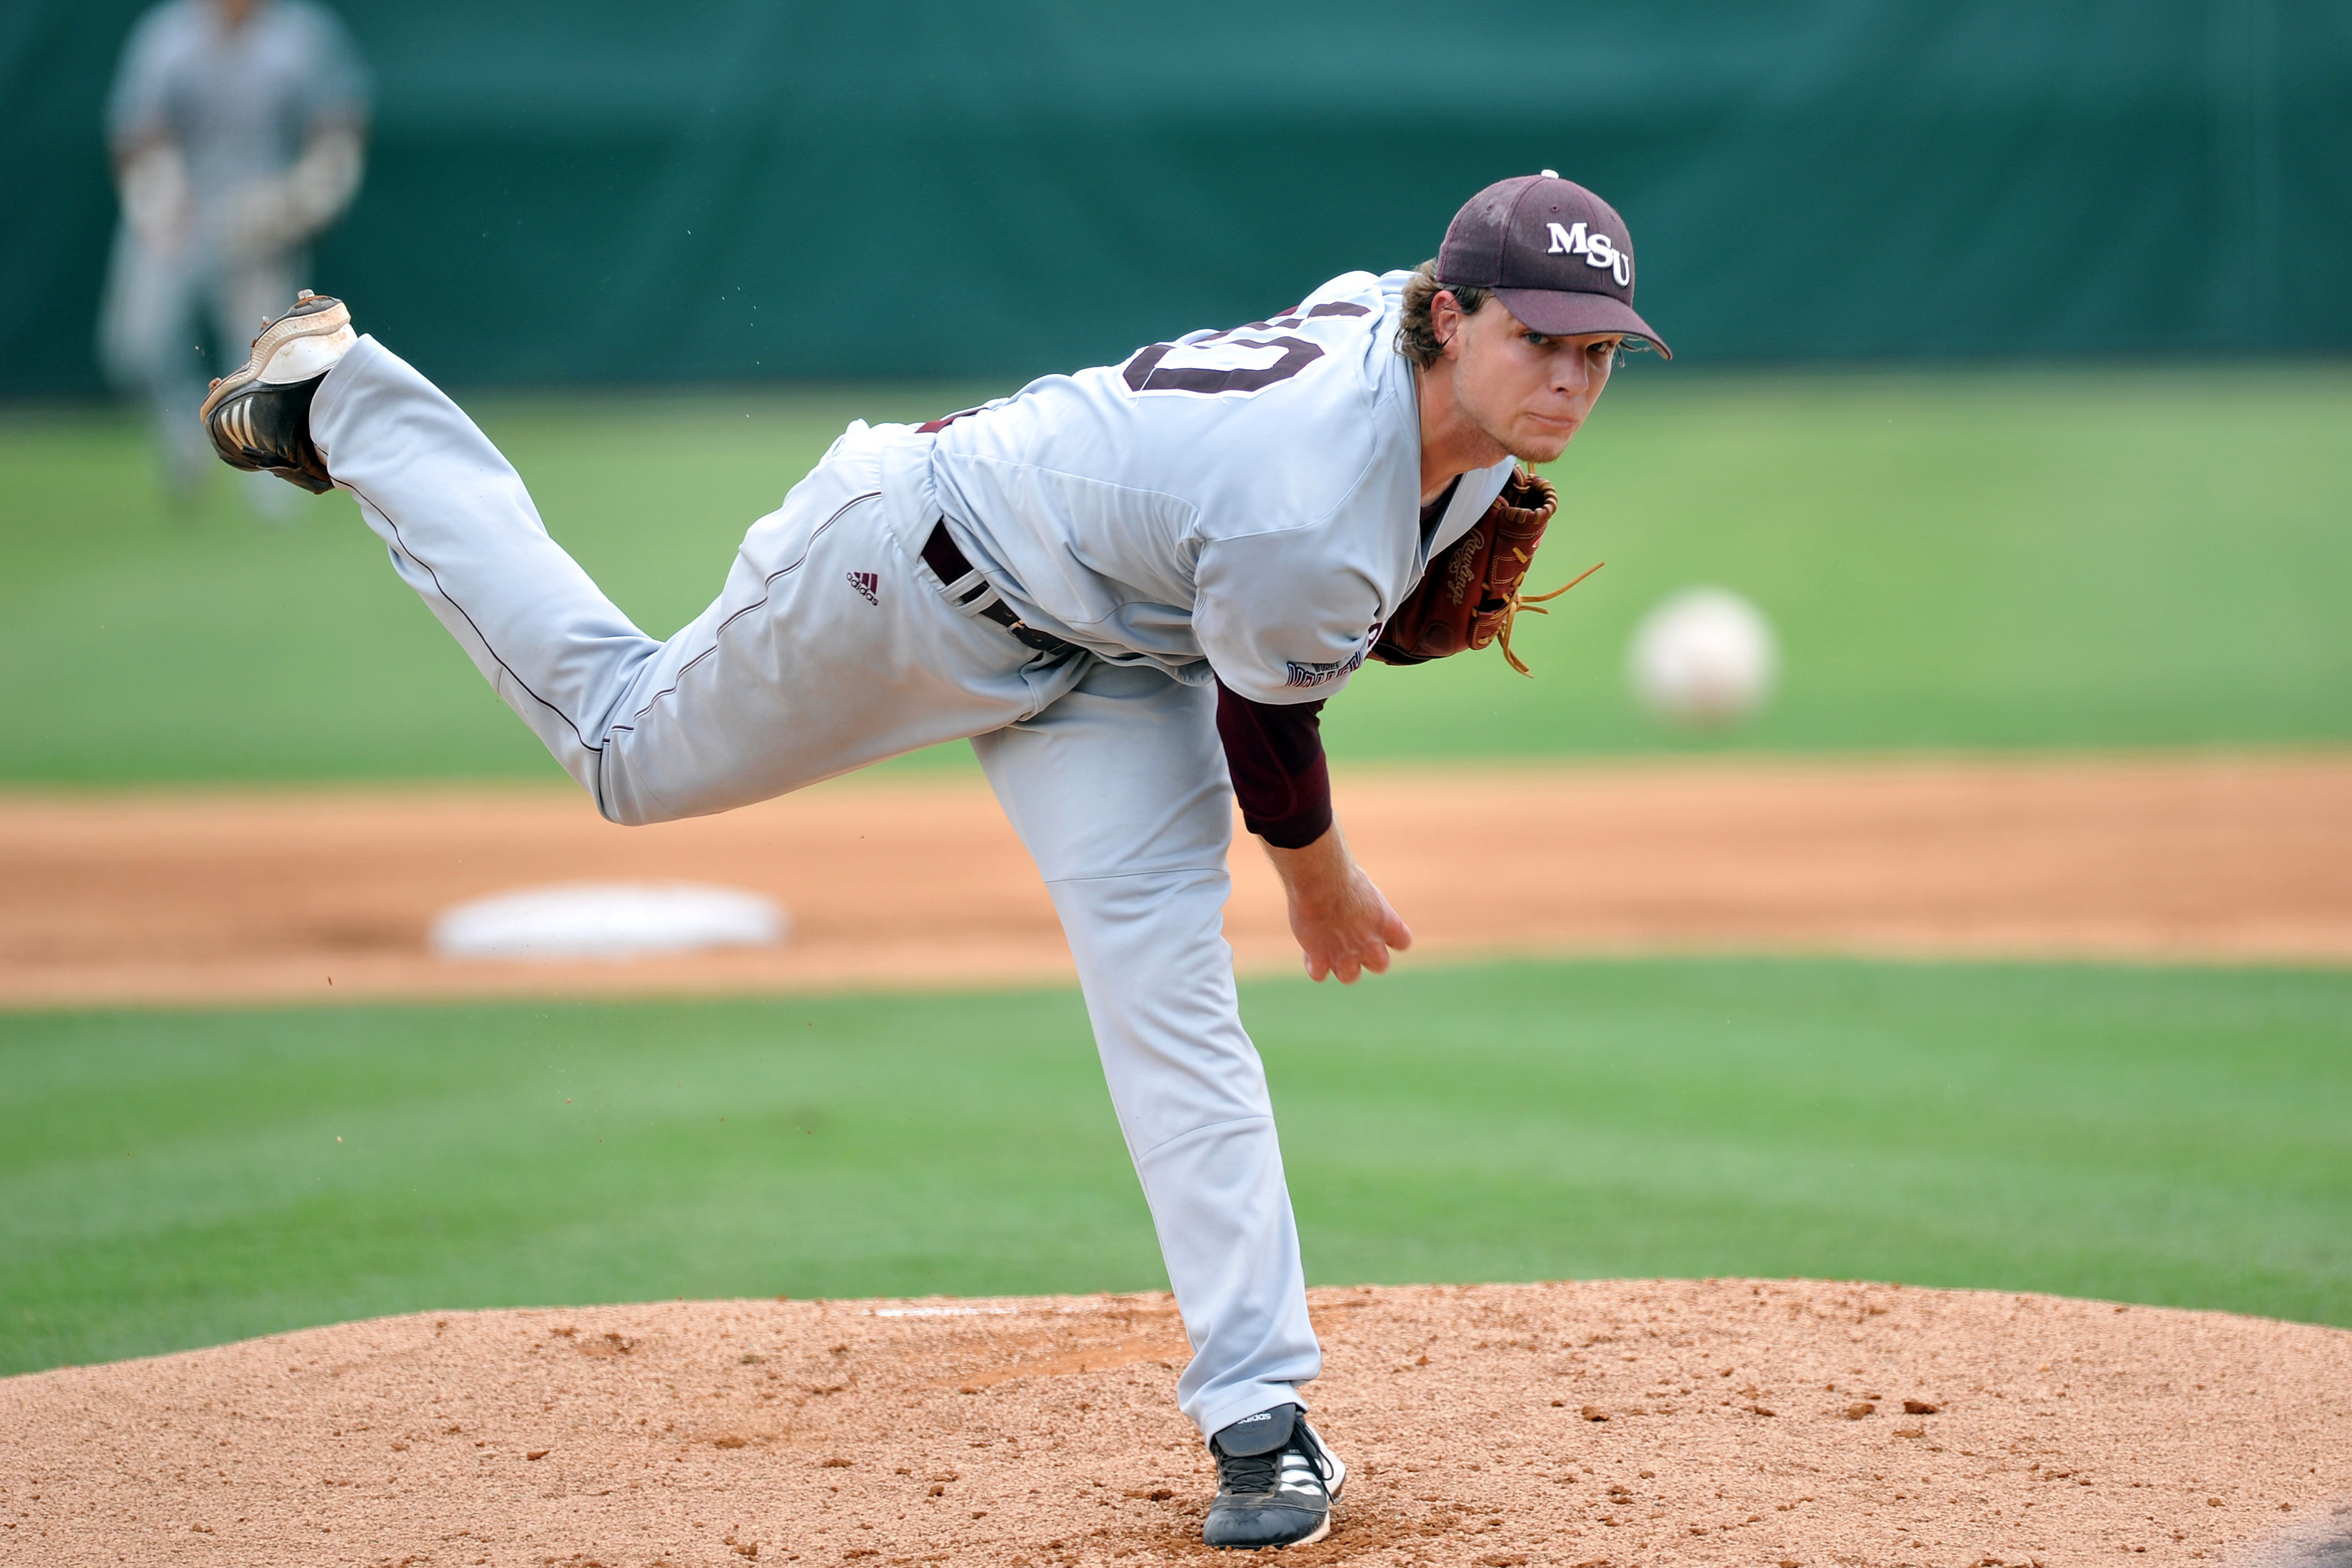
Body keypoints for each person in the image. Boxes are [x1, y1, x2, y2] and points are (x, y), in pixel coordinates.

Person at [197, 172, 1669, 1549]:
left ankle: (1257, 1417)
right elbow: (1267, 748)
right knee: (625, 750)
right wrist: (1324, 885)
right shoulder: (1307, 512)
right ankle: (354, 402)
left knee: (1169, 996)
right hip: (912, 563)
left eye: (1596, 350)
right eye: (1537, 337)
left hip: (1111, 660)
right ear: (1446, 317)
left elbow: (1314, 450)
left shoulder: (1396, 340)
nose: (1567, 377)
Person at [101, 0, 369, 515]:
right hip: (180, 213)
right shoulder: (166, 35)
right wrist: (154, 193)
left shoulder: (303, 35)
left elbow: (338, 127)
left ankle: (277, 479)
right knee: (136, 343)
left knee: (273, 355)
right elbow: (136, 132)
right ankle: (187, 428)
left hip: (262, 214)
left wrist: (303, 196)